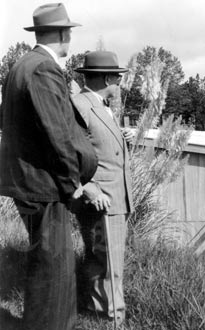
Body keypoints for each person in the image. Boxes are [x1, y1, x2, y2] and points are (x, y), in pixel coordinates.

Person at [0, 3, 98, 330]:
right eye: (68, 30)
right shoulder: (43, 68)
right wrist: (73, 184)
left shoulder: (21, 66)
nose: (70, 35)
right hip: (43, 187)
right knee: (55, 272)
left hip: (29, 183)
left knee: (46, 266)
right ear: (59, 33)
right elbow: (56, 133)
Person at [71, 51, 133, 326]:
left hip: (113, 198)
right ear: (107, 78)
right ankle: (113, 320)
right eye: (117, 80)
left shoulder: (99, 104)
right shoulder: (80, 105)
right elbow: (67, 154)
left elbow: (96, 145)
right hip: (103, 199)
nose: (119, 86)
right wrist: (88, 187)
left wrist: (122, 138)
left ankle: (99, 316)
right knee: (110, 265)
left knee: (102, 260)